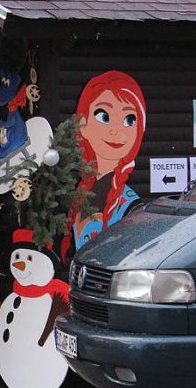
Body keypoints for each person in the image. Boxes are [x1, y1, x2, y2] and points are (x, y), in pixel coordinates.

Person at [61, 70, 147, 258]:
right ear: (83, 124)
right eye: (104, 116)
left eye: (129, 119)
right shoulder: (80, 190)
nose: (116, 130)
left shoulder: (130, 205)